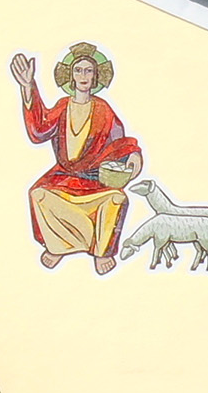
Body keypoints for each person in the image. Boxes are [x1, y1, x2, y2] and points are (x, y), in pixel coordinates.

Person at [10, 42, 144, 273]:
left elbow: (120, 143)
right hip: (63, 177)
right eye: (78, 70)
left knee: (116, 200)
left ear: (95, 77)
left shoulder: (103, 109)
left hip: (94, 179)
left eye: (89, 70)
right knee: (39, 195)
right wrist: (28, 86)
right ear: (71, 76)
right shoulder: (63, 106)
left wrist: (133, 158)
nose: (83, 75)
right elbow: (39, 130)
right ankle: (59, 245)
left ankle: (101, 253)